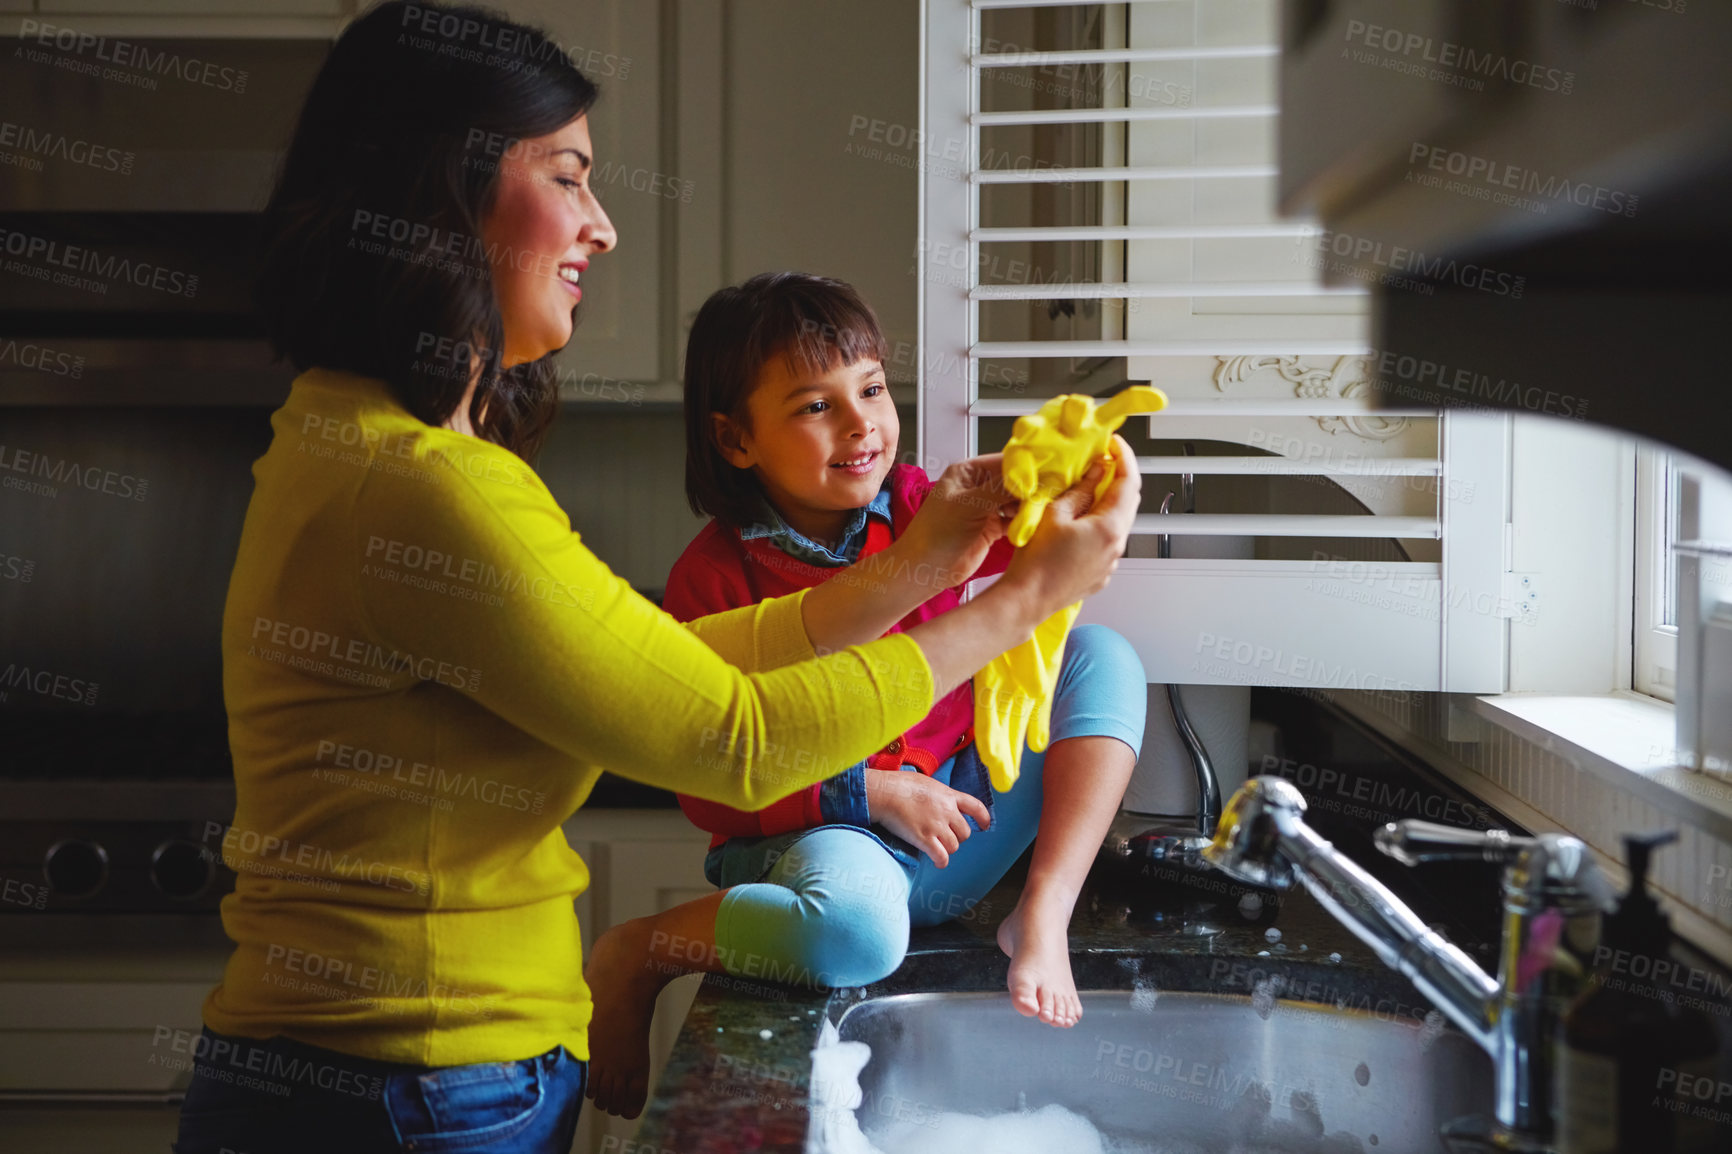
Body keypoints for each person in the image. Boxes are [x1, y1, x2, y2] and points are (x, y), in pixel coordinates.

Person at [173, 4, 1141, 1152]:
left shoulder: (363, 446)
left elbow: (668, 667)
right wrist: (1024, 600)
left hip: (389, 1079)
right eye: (569, 177)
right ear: (445, 193)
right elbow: (728, 735)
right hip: (406, 1086)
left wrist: (933, 558)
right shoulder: (424, 486)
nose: (603, 226)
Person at [579, 273, 1144, 1115]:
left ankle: (1042, 914)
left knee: (1101, 655)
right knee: (856, 933)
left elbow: (1032, 541)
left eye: (872, 388)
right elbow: (711, 787)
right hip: (828, 851)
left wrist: (1062, 474)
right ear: (736, 440)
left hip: (958, 833)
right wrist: (868, 790)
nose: (862, 424)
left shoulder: (920, 506)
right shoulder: (711, 577)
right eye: (815, 407)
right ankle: (641, 951)